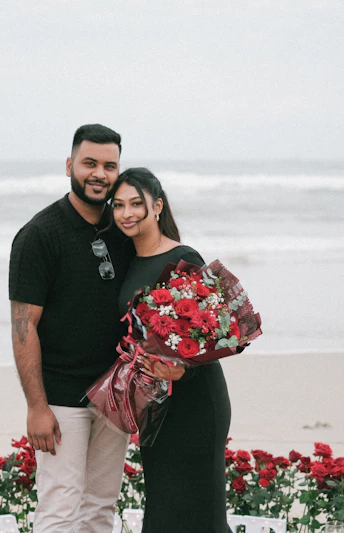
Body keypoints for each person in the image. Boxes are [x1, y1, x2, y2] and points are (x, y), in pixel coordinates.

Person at [8, 124, 134, 532]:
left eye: (109, 166)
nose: (99, 174)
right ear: (69, 166)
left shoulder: (123, 231)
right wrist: (36, 406)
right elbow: (23, 326)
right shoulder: (40, 235)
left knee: (100, 509)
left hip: (114, 394)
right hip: (62, 398)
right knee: (59, 508)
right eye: (89, 163)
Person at [109, 167, 233, 533]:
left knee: (203, 514)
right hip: (156, 401)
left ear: (157, 205)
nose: (127, 213)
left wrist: (183, 368)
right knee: (163, 511)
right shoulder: (127, 260)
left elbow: (214, 329)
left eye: (136, 203)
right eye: (118, 206)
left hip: (196, 402)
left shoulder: (183, 257)